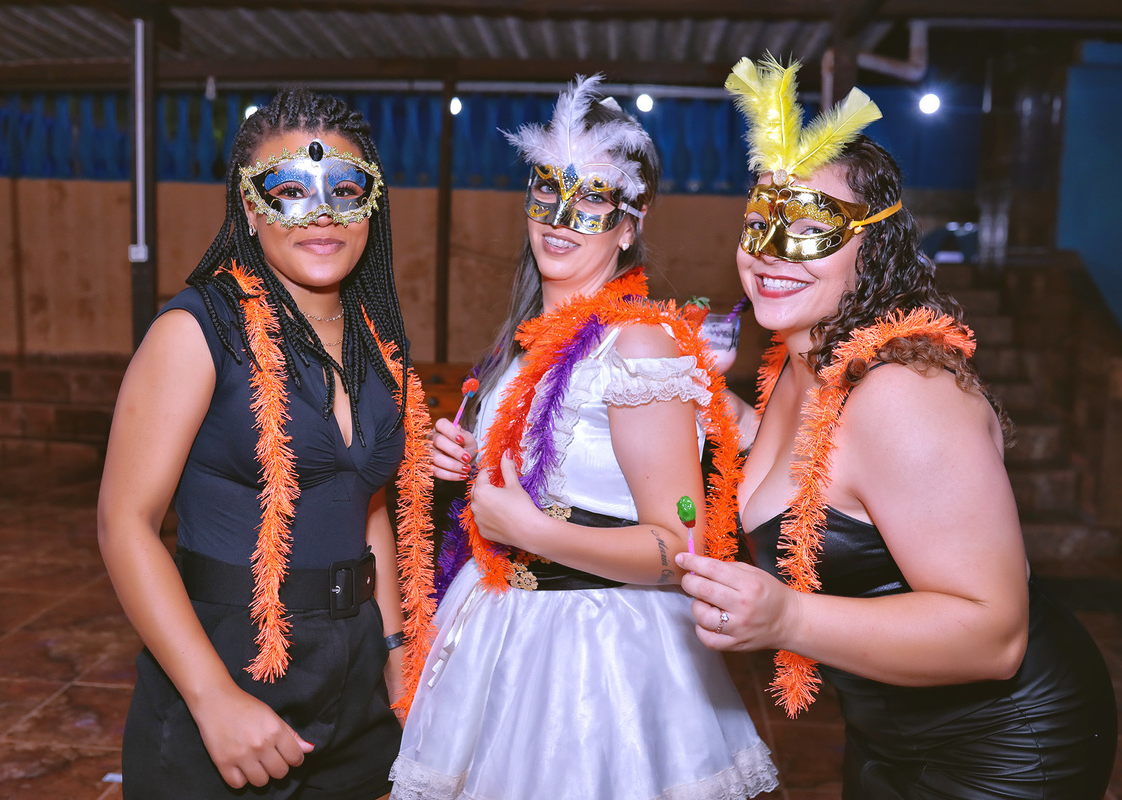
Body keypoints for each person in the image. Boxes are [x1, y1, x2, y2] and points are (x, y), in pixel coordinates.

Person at [676, 56, 1118, 799]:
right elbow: (821, 476)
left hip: (1010, 744)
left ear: (872, 245)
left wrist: (786, 616)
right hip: (884, 730)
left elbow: (995, 636)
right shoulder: (799, 361)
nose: (771, 252)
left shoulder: (903, 393)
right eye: (758, 225)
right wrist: (729, 419)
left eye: (810, 228)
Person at [388, 75, 779, 800]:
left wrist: (532, 530)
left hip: (599, 658)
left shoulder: (638, 347)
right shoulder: (525, 344)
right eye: (549, 189)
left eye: (594, 197)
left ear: (629, 225)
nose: (561, 217)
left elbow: (681, 546)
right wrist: (467, 461)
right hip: (497, 629)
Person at [98, 88, 433, 800]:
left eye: (346, 189)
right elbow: (124, 524)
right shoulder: (196, 331)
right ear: (249, 208)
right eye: (289, 190)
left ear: (371, 204)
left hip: (353, 673)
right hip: (229, 664)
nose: (322, 213)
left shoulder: (377, 343)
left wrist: (395, 650)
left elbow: (366, 501)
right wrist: (212, 697)